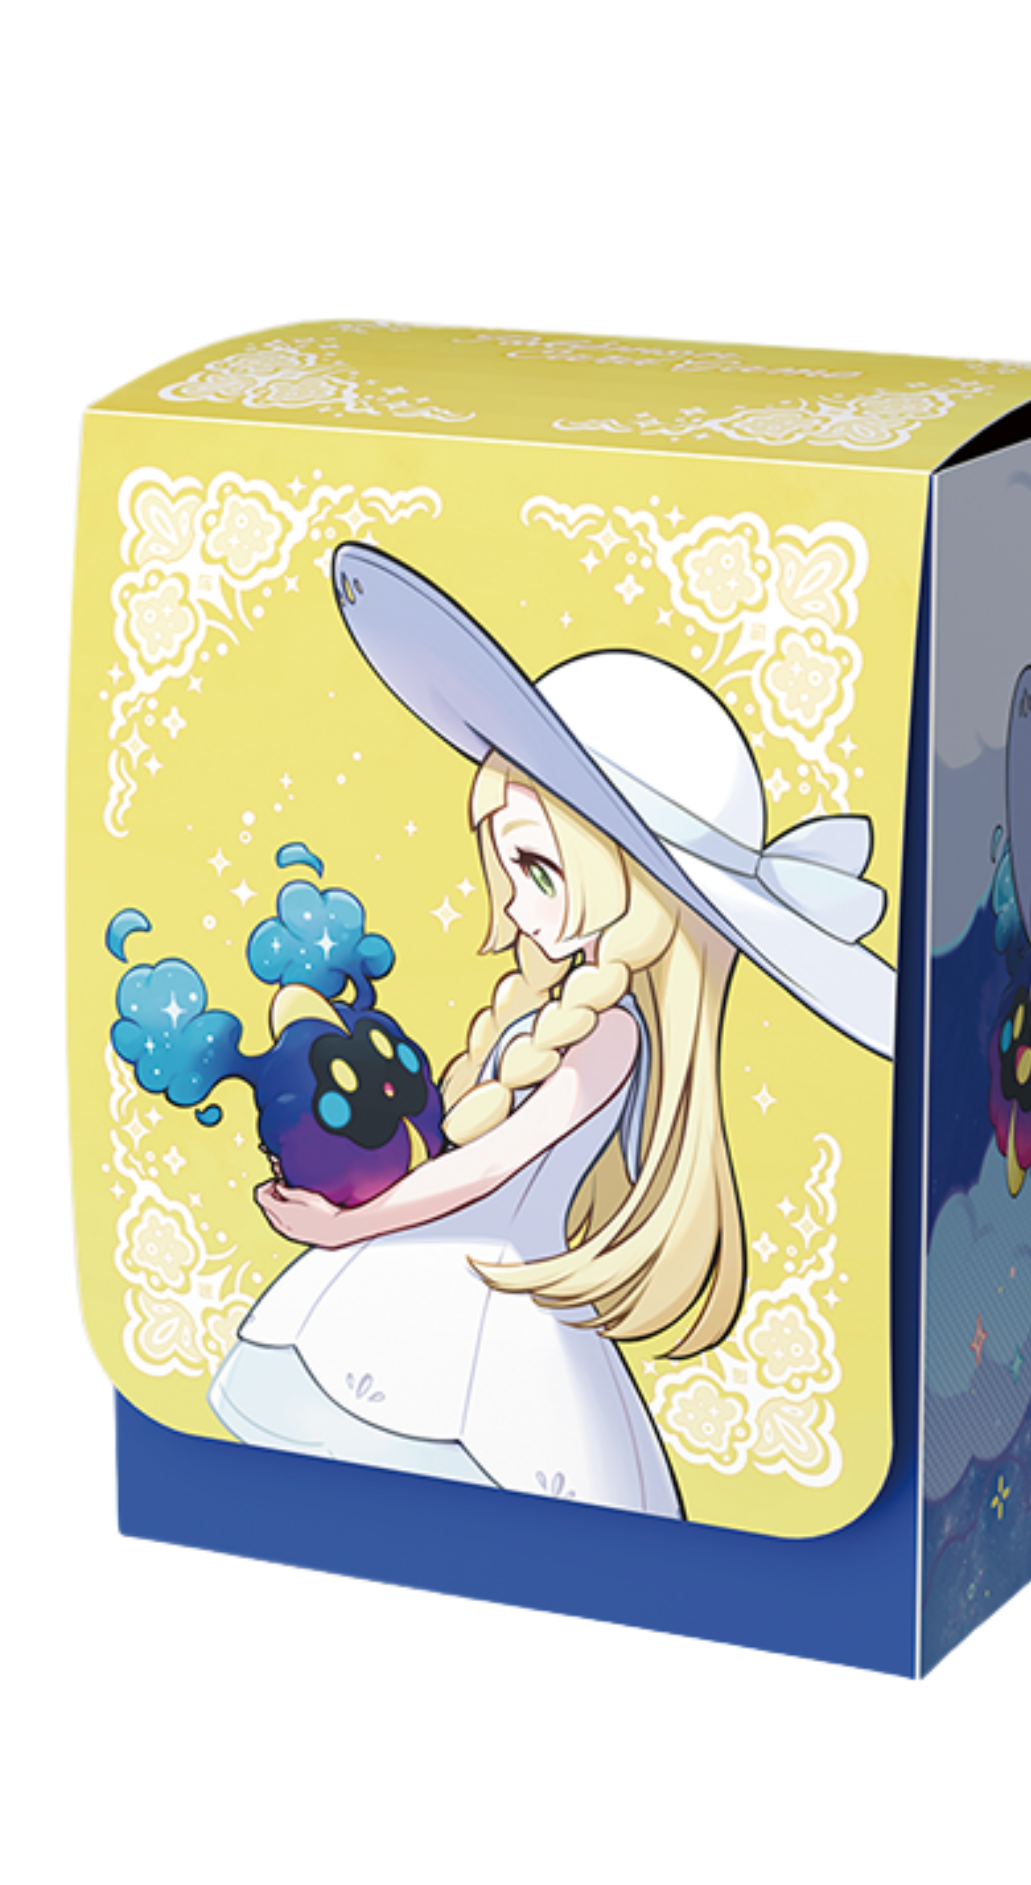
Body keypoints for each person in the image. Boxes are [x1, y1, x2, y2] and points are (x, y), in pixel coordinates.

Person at [207, 545, 896, 1516]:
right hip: (428, 1275)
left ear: (630, 879)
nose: (517, 904)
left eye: (539, 871)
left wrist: (355, 1223)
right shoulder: (548, 1005)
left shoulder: (611, 1036)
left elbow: (492, 1167)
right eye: (505, 867)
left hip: (483, 1312)